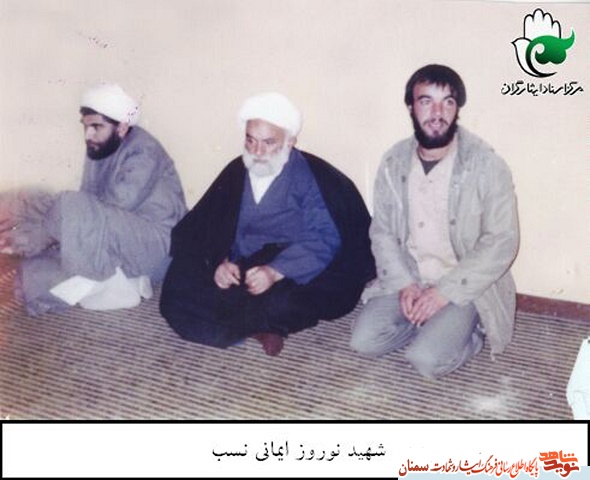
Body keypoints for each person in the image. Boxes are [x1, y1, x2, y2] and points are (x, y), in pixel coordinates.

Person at [160, 92, 375, 356]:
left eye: (268, 142)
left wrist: (275, 272)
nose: (257, 152)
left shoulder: (310, 177)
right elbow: (209, 224)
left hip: (290, 266)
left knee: (286, 302)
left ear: (290, 142)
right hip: (240, 265)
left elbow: (324, 238)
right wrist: (219, 262)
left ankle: (256, 324)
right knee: (177, 288)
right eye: (250, 140)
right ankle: (257, 328)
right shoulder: (237, 170)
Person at [350, 64, 519, 379]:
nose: (437, 113)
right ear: (411, 107)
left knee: (426, 360)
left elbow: (501, 241)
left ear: (457, 109)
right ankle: (430, 325)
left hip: (464, 284)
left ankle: (471, 331)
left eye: (448, 102)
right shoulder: (392, 162)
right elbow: (382, 231)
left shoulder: (487, 165)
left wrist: (443, 294)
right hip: (412, 276)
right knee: (364, 342)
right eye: (426, 101)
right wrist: (403, 283)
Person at [0, 83, 187, 314]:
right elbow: (89, 206)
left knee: (67, 205)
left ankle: (110, 281)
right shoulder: (100, 147)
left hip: (154, 247)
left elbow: (111, 205)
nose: (88, 135)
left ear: (122, 127)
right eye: (86, 127)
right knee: (33, 261)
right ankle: (114, 282)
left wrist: (46, 233)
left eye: (96, 127)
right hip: (111, 240)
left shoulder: (144, 150)